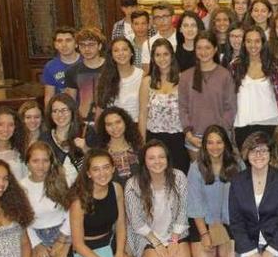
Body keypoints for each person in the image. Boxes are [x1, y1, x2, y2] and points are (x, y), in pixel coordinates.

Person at [67, 150, 147, 257]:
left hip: (108, 244)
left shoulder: (116, 188)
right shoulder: (78, 200)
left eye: (106, 167)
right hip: (85, 252)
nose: (102, 173)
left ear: (113, 169)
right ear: (88, 173)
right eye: (96, 169)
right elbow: (78, 245)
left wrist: (118, 255)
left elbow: (121, 224)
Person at [123, 140, 190, 257]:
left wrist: (174, 241)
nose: (157, 161)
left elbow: (183, 211)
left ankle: (161, 254)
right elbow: (136, 222)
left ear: (167, 159)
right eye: (151, 158)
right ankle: (145, 256)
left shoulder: (179, 177)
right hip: (147, 236)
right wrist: (157, 244)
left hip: (174, 232)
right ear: (144, 162)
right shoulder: (132, 184)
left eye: (161, 157)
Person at [188, 125, 241, 257]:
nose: (215, 147)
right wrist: (204, 234)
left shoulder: (237, 164)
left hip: (228, 219)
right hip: (203, 220)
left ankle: (222, 239)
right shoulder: (195, 168)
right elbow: (195, 203)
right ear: (204, 145)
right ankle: (211, 239)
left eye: (219, 142)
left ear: (226, 144)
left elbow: (244, 198)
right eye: (210, 142)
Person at [178, 31, 237, 161]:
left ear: (215, 49)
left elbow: (231, 107)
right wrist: (188, 134)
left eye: (208, 47)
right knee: (198, 176)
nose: (203, 52)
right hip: (194, 138)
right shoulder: (186, 76)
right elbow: (182, 107)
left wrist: (219, 133)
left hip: (219, 138)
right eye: (199, 48)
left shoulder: (224, 75)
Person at [21, 142, 72, 257]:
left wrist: (61, 240)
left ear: (51, 162)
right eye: (35, 161)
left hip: (63, 232)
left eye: (45, 161)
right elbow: (24, 221)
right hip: (37, 234)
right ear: (28, 163)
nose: (41, 166)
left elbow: (70, 213)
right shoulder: (22, 186)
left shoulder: (62, 180)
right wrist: (36, 245)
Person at [231, 26, 278, 146]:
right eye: (249, 41)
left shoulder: (275, 65)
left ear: (263, 42)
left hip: (271, 122)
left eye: (257, 41)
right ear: (244, 43)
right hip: (243, 123)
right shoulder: (235, 66)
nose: (253, 45)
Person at [137, 38, 187, 173]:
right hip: (154, 138)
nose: (162, 58)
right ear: (153, 58)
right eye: (157, 55)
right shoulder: (146, 82)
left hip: (178, 139)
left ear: (172, 55)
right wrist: (142, 143)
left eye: (165, 54)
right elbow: (142, 114)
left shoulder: (183, 80)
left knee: (179, 177)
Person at [42, 94, 92, 182]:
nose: (60, 114)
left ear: (72, 111)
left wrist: (85, 149)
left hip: (83, 189)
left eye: (64, 110)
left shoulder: (87, 132)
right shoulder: (44, 138)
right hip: (55, 189)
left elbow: (98, 162)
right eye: (55, 111)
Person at [64, 27, 107, 124]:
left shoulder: (111, 68)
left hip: (109, 119)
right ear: (78, 47)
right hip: (83, 121)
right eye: (82, 45)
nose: (87, 49)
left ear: (99, 46)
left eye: (91, 45)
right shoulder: (72, 71)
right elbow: (70, 101)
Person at [95, 38, 143, 123]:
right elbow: (100, 108)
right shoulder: (105, 78)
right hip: (112, 128)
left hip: (136, 126)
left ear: (131, 52)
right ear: (111, 55)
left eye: (124, 49)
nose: (121, 53)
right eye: (116, 50)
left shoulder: (142, 76)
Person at [94, 108, 141, 187]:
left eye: (118, 122)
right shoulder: (100, 152)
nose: (114, 127)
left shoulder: (139, 149)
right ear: (104, 127)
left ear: (125, 122)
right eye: (109, 124)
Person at [42, 26, 80, 105]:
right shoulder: (50, 66)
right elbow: (49, 97)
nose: (64, 45)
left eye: (68, 40)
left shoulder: (86, 61)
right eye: (59, 41)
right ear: (55, 45)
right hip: (63, 111)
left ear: (76, 44)